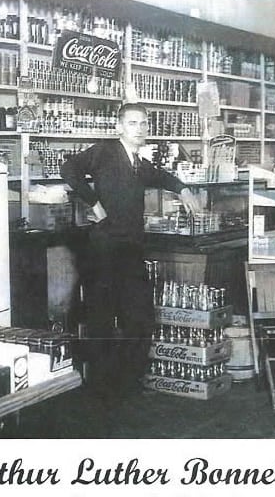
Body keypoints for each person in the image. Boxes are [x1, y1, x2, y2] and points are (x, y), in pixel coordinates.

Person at [60, 102, 200, 398]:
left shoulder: (137, 162)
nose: (140, 129)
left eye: (144, 123)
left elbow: (161, 176)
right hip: (104, 248)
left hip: (131, 249)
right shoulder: (105, 151)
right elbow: (68, 169)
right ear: (119, 127)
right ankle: (101, 388)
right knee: (101, 319)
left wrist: (183, 188)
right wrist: (94, 204)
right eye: (133, 123)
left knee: (140, 318)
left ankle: (127, 381)